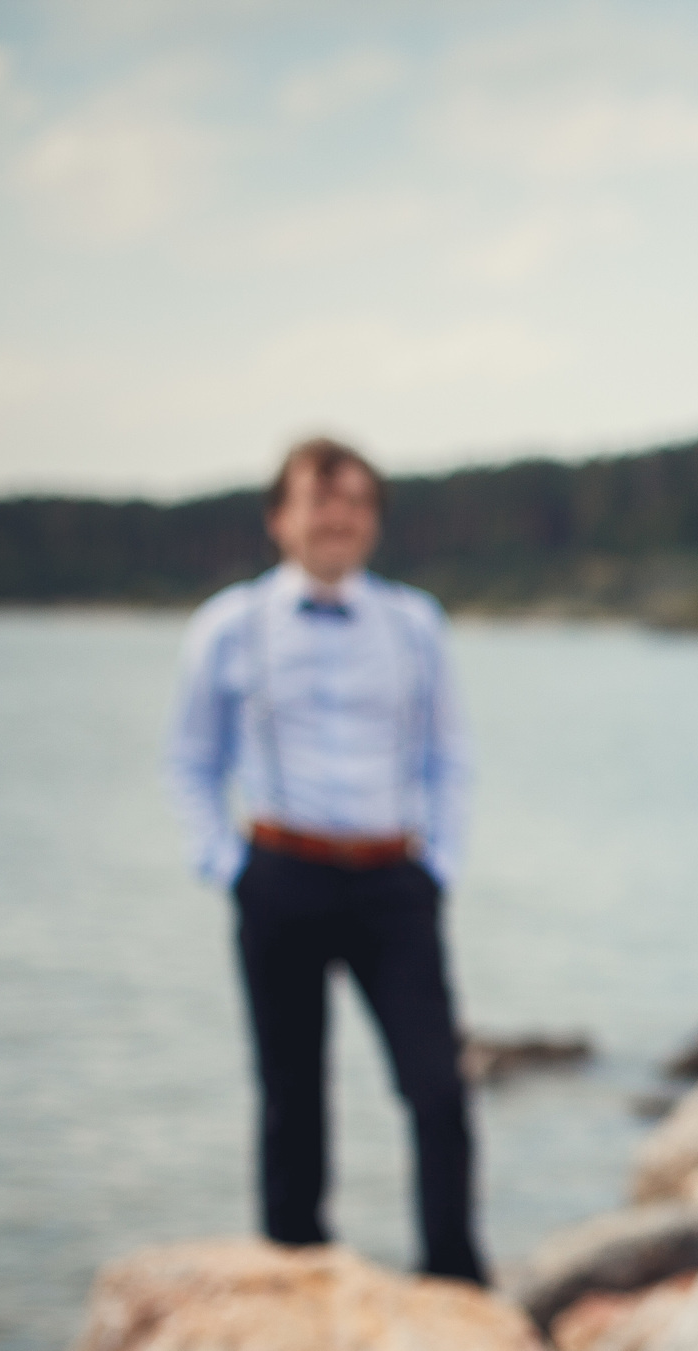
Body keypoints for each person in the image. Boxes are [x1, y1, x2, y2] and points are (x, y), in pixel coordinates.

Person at [165, 437, 487, 1285]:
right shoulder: (230, 626)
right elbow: (191, 759)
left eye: (356, 504)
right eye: (321, 501)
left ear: (372, 522)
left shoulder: (415, 624)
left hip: (394, 880)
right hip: (281, 875)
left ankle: (455, 1276)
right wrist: (225, 864)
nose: (338, 519)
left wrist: (439, 864)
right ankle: (294, 1271)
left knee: (437, 1089)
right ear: (282, 518)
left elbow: (450, 755)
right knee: (291, 1095)